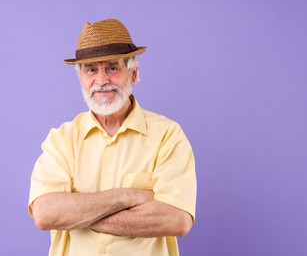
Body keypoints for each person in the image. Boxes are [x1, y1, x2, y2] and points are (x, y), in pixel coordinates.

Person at [28, 18, 197, 256]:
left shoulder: (167, 135)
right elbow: (46, 214)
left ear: (134, 73)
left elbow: (176, 219)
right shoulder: (62, 139)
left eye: (112, 68)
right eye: (91, 70)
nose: (102, 80)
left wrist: (78, 214)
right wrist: (128, 196)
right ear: (82, 79)